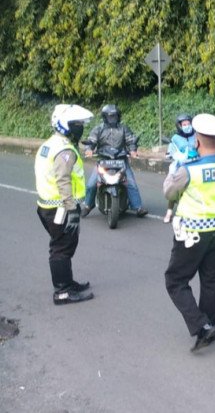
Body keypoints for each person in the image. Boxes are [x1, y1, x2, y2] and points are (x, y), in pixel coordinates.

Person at [163, 113, 215, 351]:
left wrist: (175, 171)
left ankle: (201, 326)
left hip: (192, 232)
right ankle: (210, 324)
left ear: (196, 142)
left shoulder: (189, 170)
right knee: (210, 279)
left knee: (175, 280)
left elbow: (169, 193)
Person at [34, 104, 95, 305]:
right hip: (60, 208)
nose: (79, 128)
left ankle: (67, 283)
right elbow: (63, 180)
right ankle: (62, 292)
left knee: (64, 244)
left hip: (49, 206)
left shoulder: (51, 144)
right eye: (75, 124)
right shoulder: (64, 150)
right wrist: (72, 210)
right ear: (64, 125)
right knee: (61, 247)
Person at [82, 104, 148, 217]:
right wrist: (89, 149)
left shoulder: (124, 128)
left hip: (121, 160)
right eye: (110, 116)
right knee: (91, 184)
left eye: (115, 116)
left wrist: (133, 151)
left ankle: (138, 207)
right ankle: (88, 205)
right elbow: (91, 141)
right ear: (104, 117)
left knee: (131, 183)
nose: (113, 119)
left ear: (118, 116)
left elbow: (131, 141)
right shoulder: (98, 129)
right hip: (103, 160)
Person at [164, 113, 198, 223]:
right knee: (174, 186)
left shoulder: (196, 136)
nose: (187, 126)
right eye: (184, 124)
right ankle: (169, 211)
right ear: (179, 126)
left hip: (196, 163)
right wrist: (169, 153)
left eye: (189, 123)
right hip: (180, 165)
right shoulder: (175, 138)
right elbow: (170, 150)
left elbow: (202, 147)